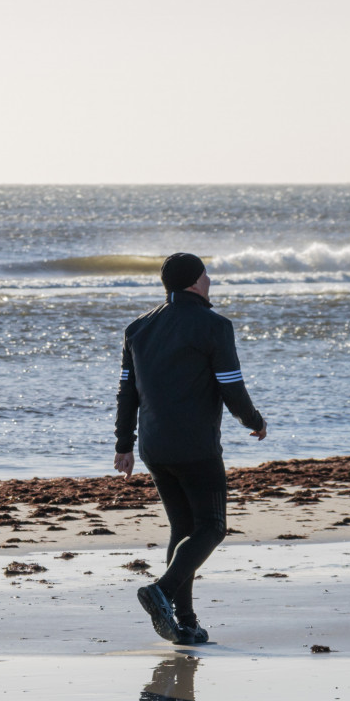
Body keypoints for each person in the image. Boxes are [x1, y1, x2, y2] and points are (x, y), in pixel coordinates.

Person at [114, 252, 266, 644]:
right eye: (206, 274)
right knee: (212, 527)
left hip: (154, 448)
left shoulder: (137, 328)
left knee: (183, 530)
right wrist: (254, 421)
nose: (209, 280)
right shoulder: (214, 326)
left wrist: (124, 444)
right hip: (196, 448)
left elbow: (127, 392)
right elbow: (231, 387)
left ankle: (185, 624)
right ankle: (161, 591)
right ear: (196, 282)